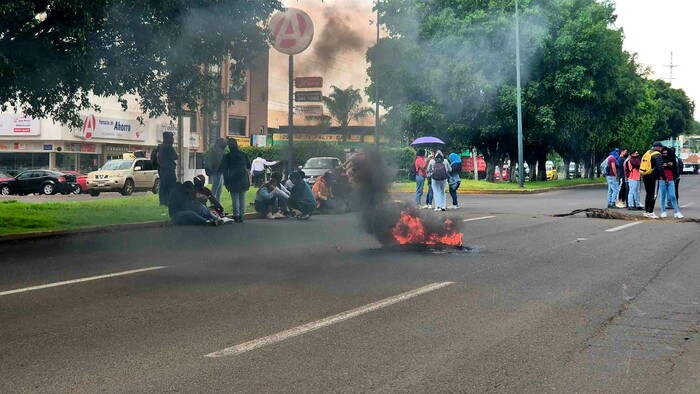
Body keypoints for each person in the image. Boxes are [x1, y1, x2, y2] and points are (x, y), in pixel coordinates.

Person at [221, 138, 251, 222]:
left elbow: (224, 170)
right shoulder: (243, 154)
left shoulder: (227, 156)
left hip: (232, 177)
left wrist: (226, 182)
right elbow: (249, 166)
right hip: (243, 177)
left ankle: (236, 215)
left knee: (235, 197)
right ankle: (241, 215)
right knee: (242, 198)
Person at [642, 142, 666, 219]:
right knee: (653, 194)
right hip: (653, 176)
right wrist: (664, 178)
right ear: (658, 147)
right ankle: (651, 212)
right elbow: (660, 168)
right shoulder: (657, 155)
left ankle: (646, 212)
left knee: (648, 194)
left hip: (645, 175)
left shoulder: (647, 153)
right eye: (661, 147)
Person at [659, 146, 684, 218]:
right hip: (662, 179)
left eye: (666, 153)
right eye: (663, 153)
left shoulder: (672, 159)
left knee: (673, 196)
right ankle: (663, 211)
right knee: (663, 196)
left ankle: (677, 212)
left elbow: (676, 168)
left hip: (671, 179)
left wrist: (671, 165)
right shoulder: (660, 159)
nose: (665, 154)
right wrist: (663, 165)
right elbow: (658, 168)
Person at [157, 131, 178, 206]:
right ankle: (168, 201)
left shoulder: (161, 146)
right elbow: (175, 156)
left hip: (162, 168)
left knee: (163, 185)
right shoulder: (168, 147)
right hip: (169, 169)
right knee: (170, 185)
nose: (173, 140)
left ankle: (162, 201)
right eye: (172, 138)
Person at [206, 138, 227, 202]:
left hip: (219, 172)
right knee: (215, 190)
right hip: (216, 172)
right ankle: (213, 204)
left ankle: (217, 204)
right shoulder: (215, 152)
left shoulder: (217, 151)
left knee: (219, 190)